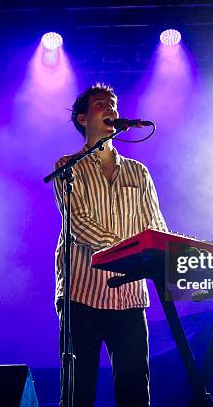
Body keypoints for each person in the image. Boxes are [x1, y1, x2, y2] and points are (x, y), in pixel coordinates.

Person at [53, 83, 167, 407]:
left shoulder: (138, 172)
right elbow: (78, 222)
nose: (111, 110)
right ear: (82, 119)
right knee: (79, 391)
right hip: (81, 295)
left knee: (135, 390)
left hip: (129, 297)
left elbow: (154, 224)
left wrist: (169, 253)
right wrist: (126, 250)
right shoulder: (67, 167)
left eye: (114, 105)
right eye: (101, 104)